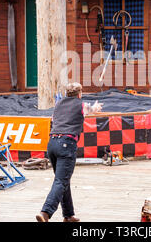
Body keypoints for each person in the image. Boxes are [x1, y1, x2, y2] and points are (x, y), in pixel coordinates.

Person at [36, 82, 102, 222]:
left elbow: (54, 121)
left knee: (63, 180)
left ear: (67, 93)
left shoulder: (58, 104)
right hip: (66, 144)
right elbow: (91, 109)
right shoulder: (81, 104)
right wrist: (97, 107)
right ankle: (45, 212)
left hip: (52, 143)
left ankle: (68, 215)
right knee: (61, 181)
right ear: (79, 94)